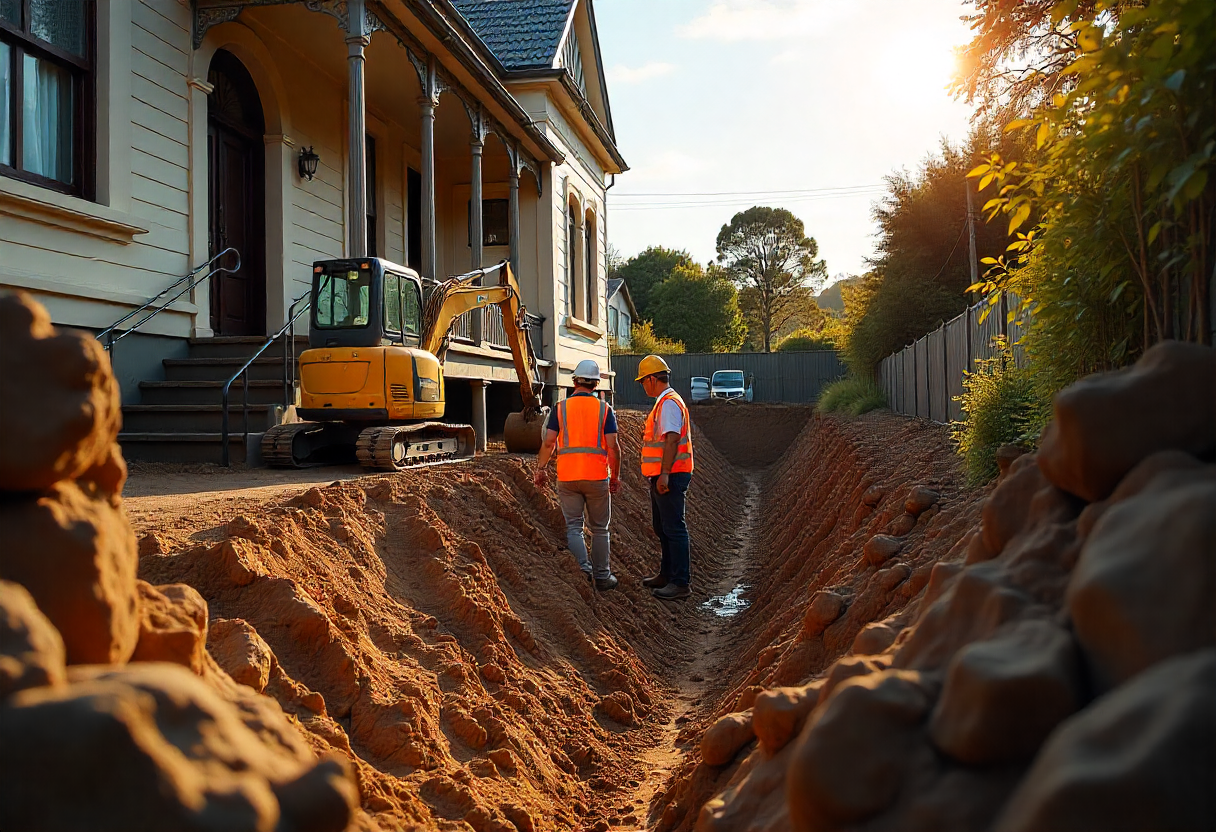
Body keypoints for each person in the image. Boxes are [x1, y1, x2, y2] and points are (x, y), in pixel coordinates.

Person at [533, 359, 621, 591]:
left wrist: (540, 469)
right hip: (597, 477)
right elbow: (613, 447)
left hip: (568, 477)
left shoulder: (560, 408)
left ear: (574, 381)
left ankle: (583, 570)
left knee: (574, 527)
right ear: (595, 384)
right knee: (600, 528)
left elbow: (549, 441)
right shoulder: (605, 410)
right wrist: (615, 477)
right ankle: (602, 576)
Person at [635, 355, 694, 600]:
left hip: (670, 474)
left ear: (651, 379)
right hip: (665, 473)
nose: (643, 386)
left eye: (643, 381)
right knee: (663, 527)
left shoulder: (668, 403)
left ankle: (680, 582)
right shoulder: (667, 402)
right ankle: (667, 573)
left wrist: (665, 474)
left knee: (673, 528)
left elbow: (671, 439)